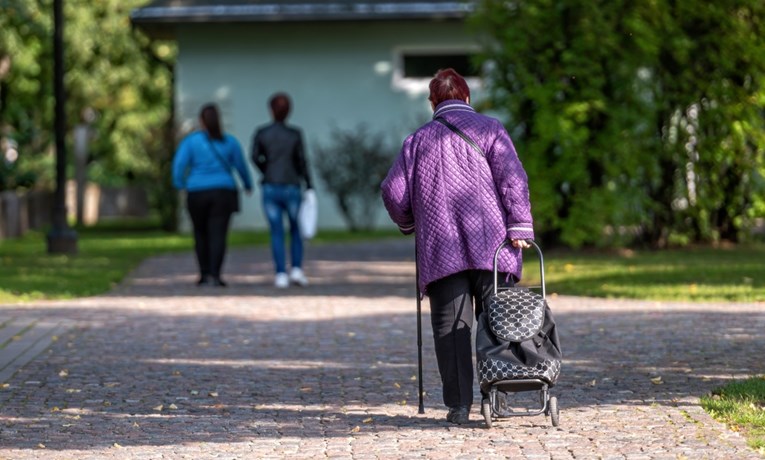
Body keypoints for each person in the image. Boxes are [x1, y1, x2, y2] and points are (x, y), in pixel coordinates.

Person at [380, 68, 534, 425]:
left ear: (433, 102)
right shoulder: (491, 128)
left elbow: (392, 190)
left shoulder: (416, 141)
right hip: (492, 242)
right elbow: (514, 178)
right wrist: (520, 225)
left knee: (451, 327)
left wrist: (409, 222)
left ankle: (459, 406)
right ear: (467, 98)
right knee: (498, 321)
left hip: (440, 247)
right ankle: (496, 397)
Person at [172, 103, 253, 287]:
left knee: (200, 233)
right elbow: (240, 165)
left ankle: (204, 273)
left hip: (197, 192)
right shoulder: (229, 142)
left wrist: (180, 184)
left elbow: (179, 165)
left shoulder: (191, 142)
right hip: (223, 192)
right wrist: (247, 184)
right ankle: (216, 274)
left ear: (201, 121)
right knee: (218, 234)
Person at [251, 92, 313, 288]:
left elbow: (254, 156)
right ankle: (296, 269)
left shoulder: (262, 133)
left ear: (270, 110)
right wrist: (309, 184)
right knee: (296, 229)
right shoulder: (295, 134)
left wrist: (265, 171)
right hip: (292, 185)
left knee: (276, 231)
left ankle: (280, 273)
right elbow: (302, 161)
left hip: (270, 186)